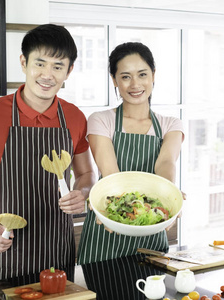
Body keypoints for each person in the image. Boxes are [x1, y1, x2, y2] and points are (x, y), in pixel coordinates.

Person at [0, 24, 95, 284]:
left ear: (69, 71)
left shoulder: (74, 117)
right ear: (23, 62)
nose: (47, 75)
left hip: (58, 245)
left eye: (57, 66)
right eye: (40, 63)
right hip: (7, 242)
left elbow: (86, 173)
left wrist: (82, 193)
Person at [77, 42, 184, 265]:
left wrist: (166, 200)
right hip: (107, 223)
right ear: (114, 80)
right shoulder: (101, 120)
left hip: (151, 231)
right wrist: (123, 214)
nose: (135, 84)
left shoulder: (170, 124)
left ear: (153, 75)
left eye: (142, 74)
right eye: (125, 77)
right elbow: (112, 174)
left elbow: (165, 163)